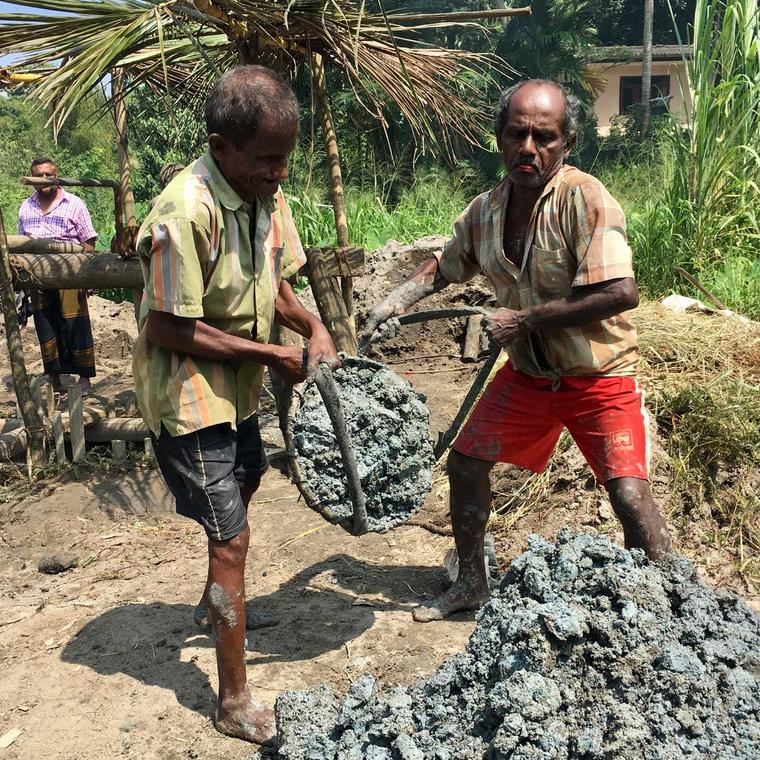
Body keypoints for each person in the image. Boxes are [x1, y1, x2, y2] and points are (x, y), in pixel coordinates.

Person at [363, 79, 672, 623]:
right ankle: (472, 585)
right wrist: (397, 300)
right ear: (500, 138)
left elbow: (620, 292)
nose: (529, 148)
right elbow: (445, 264)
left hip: (598, 376)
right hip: (530, 376)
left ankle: (669, 603)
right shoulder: (486, 210)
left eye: (544, 137)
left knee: (626, 494)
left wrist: (525, 319)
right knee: (465, 462)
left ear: (567, 143)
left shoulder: (585, 199)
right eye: (517, 134)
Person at [132, 65, 339, 744]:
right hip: (189, 394)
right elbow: (167, 325)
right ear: (221, 147)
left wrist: (309, 326)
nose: (279, 174)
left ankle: (216, 607)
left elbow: (272, 280)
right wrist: (274, 356)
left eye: (285, 159)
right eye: (266, 160)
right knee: (233, 535)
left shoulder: (263, 193)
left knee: (245, 484)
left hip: (237, 387)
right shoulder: (184, 209)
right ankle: (233, 700)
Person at [17, 157, 98, 394]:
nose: (44, 180)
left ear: (57, 176)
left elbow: (88, 241)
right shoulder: (25, 207)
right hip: (37, 275)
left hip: (69, 272)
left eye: (49, 175)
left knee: (76, 324)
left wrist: (85, 275)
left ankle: (84, 380)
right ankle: (54, 379)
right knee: (45, 326)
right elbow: (21, 245)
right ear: (31, 177)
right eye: (39, 175)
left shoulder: (74, 203)